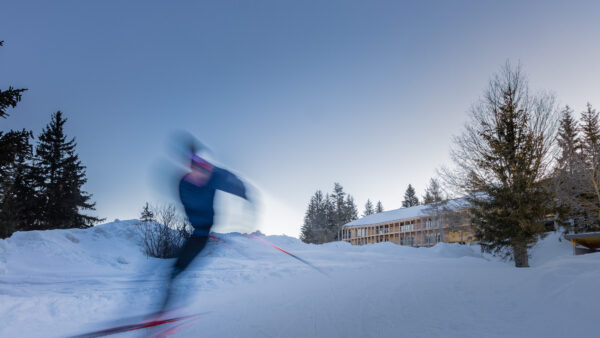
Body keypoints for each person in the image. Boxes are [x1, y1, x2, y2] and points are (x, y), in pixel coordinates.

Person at [158, 153, 249, 313]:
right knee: (173, 271)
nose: (201, 176)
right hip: (196, 232)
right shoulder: (183, 184)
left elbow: (231, 181)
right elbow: (187, 206)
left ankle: (174, 306)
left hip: (204, 233)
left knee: (184, 266)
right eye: (197, 171)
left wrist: (243, 194)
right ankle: (165, 307)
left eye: (205, 172)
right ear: (191, 169)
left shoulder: (215, 177)